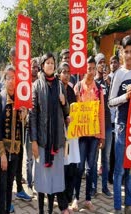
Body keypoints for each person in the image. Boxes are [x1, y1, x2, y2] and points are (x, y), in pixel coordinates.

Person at [30, 52, 69, 214]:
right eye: (47, 63)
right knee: (41, 180)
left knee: (53, 180)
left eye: (53, 63)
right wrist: (33, 140)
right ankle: (41, 211)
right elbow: (33, 115)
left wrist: (64, 101)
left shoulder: (60, 85)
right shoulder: (37, 85)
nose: (50, 65)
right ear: (42, 65)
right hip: (42, 141)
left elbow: (66, 112)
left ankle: (51, 211)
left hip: (57, 141)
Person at [108, 35, 131, 214]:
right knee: (119, 169)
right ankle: (116, 207)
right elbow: (110, 102)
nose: (129, 55)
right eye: (125, 51)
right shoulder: (118, 74)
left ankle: (129, 203)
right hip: (121, 126)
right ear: (121, 52)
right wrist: (125, 97)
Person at [72, 56, 105, 212]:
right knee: (78, 168)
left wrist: (102, 136)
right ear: (83, 68)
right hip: (80, 135)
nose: (91, 71)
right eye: (88, 68)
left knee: (91, 168)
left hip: (93, 134)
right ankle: (75, 198)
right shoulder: (77, 87)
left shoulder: (99, 89)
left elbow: (101, 113)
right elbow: (72, 112)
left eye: (93, 68)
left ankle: (88, 199)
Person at [0, 65, 28, 214]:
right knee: (2, 186)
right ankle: (2, 210)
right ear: (4, 80)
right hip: (2, 152)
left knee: (10, 185)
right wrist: (1, 154)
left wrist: (24, 116)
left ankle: (7, 210)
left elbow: (22, 127)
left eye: (14, 78)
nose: (12, 81)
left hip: (16, 151)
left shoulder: (21, 100)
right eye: (9, 78)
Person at [57, 62, 79, 213]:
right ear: (59, 74)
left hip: (72, 135)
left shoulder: (71, 90)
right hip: (60, 135)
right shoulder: (55, 89)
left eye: (68, 72)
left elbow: (76, 110)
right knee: (62, 169)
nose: (66, 74)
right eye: (63, 72)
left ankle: (69, 199)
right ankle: (63, 204)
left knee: (72, 168)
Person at [92, 53, 113, 199]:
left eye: (104, 62)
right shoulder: (93, 83)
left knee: (105, 157)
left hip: (107, 125)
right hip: (95, 125)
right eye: (100, 62)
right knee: (93, 158)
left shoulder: (108, 82)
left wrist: (109, 84)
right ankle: (93, 187)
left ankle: (105, 186)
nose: (102, 65)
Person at [25, 57, 40, 197]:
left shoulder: (41, 83)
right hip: (27, 125)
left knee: (37, 156)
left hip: (38, 125)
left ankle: (36, 183)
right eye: (32, 66)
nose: (34, 69)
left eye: (36, 67)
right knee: (29, 157)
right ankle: (29, 183)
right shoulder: (24, 84)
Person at [108, 55, 120, 185]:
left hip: (118, 119)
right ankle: (110, 176)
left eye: (115, 62)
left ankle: (117, 175)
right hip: (109, 120)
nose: (113, 64)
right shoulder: (106, 79)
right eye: (111, 62)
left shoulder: (121, 76)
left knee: (118, 151)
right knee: (110, 152)